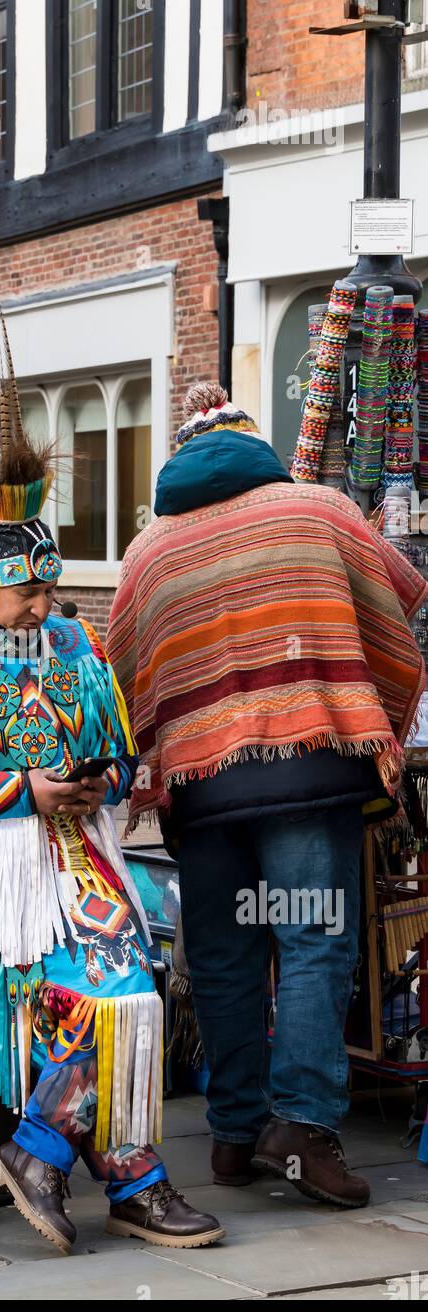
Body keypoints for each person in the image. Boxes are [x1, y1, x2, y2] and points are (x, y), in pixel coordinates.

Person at [0, 311, 224, 1252]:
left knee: (141, 981)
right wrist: (23, 793)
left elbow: (115, 742)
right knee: (100, 996)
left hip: (76, 850)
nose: (45, 608)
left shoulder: (70, 641)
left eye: (51, 590)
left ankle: (73, 1160)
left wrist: (101, 777)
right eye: (26, 594)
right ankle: (110, 1172)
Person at [108, 381, 428, 1209]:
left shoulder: (148, 553)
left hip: (202, 790)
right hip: (307, 770)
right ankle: (305, 1129)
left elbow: (121, 669)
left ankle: (235, 1133)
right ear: (258, 448)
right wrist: (369, 710)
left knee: (224, 955)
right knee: (316, 941)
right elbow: (397, 607)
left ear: (179, 460)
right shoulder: (319, 510)